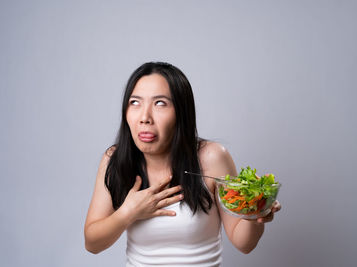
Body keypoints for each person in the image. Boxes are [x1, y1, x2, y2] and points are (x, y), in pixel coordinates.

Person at [84, 62, 281, 266]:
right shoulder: (114, 160)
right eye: (135, 102)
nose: (144, 117)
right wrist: (128, 212)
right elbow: (92, 243)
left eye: (160, 103)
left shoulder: (212, 157)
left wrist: (254, 213)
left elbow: (244, 244)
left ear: (181, 112)